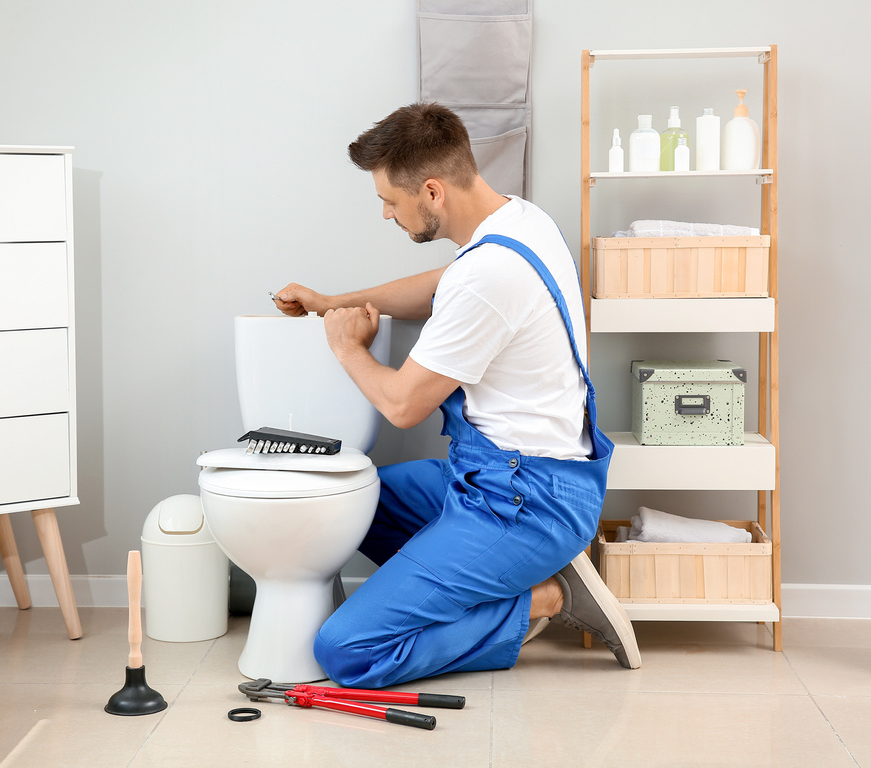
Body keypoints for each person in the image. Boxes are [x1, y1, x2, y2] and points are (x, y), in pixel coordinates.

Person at [273, 102, 640, 688]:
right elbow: (441, 286)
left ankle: (541, 598)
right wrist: (332, 300)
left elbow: (402, 405)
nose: (387, 216)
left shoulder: (490, 275)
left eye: (390, 202)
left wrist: (348, 347)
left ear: (434, 192)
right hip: (492, 477)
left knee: (348, 651)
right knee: (345, 510)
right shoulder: (518, 222)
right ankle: (481, 578)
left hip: (527, 502)